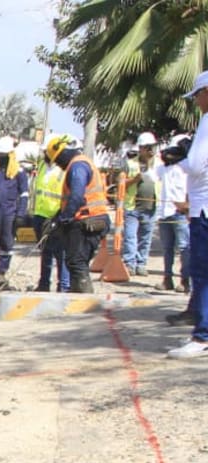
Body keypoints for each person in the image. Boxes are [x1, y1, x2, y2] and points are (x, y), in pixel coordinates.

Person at [167, 71, 208, 358]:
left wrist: (179, 157)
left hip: (204, 207)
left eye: (196, 95)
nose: (195, 102)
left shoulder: (207, 122)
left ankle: (203, 335)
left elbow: (195, 166)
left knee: (203, 272)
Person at [48, 135, 110, 294]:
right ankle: (78, 296)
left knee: (77, 262)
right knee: (75, 261)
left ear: (62, 153)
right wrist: (58, 216)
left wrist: (64, 218)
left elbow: (76, 196)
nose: (58, 165)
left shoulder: (78, 167)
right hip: (92, 218)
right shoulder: (80, 164)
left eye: (57, 160)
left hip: (87, 220)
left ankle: (85, 300)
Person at [0, 136, 31, 288]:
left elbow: (24, 194)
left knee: (6, 244)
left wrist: (21, 214)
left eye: (5, 154)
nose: (2, 157)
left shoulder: (19, 173)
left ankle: (1, 273)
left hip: (9, 213)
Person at [32, 134, 72, 292]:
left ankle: (63, 286)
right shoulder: (42, 165)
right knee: (45, 252)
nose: (45, 155)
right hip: (40, 215)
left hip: (57, 217)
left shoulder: (64, 169)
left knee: (61, 254)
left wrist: (60, 216)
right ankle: (44, 284)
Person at [122, 132, 160, 278]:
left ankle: (141, 264)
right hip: (132, 207)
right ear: (141, 148)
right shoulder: (130, 164)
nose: (151, 150)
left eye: (153, 147)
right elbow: (120, 184)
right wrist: (134, 179)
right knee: (131, 237)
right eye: (148, 147)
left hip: (151, 207)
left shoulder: (160, 164)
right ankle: (129, 265)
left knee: (145, 238)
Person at [156, 135, 190, 292]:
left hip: (180, 212)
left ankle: (185, 280)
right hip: (164, 212)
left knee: (184, 247)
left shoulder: (187, 167)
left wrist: (187, 205)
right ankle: (167, 279)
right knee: (167, 248)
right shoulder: (164, 168)